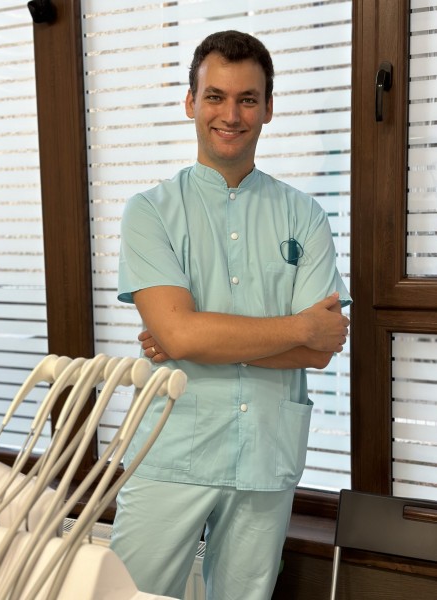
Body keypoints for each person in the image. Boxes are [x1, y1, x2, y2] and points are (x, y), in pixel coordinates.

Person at [111, 30, 351, 600]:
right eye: (215, 96)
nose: (231, 114)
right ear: (190, 102)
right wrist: (298, 328)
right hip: (170, 451)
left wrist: (197, 339)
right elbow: (182, 334)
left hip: (266, 453)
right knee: (126, 595)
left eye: (248, 99)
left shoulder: (305, 216)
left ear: (268, 108)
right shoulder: (150, 212)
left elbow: (321, 352)